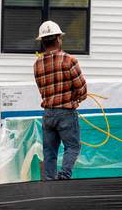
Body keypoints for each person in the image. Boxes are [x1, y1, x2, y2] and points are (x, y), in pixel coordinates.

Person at [32, 20, 87, 180]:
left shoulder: (37, 64)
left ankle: (50, 182)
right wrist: (76, 97)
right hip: (66, 113)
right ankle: (64, 177)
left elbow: (43, 89)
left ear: (42, 42)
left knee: (49, 152)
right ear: (58, 39)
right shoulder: (69, 60)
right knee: (73, 147)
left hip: (48, 114)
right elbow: (82, 90)